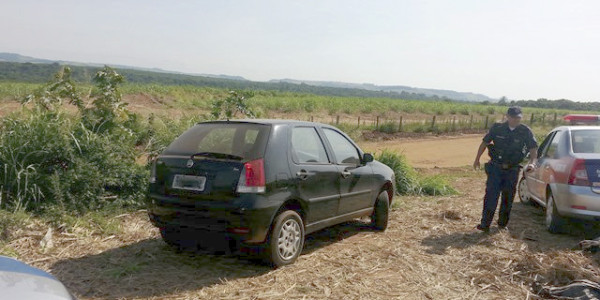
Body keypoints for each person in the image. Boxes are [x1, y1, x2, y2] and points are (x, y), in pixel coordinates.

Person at [473, 106, 538, 232]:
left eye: (518, 118)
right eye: (513, 117)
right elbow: (484, 143)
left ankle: (502, 224)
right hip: (496, 167)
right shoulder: (497, 128)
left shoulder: (525, 131)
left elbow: (533, 148)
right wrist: (477, 159)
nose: (515, 120)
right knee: (491, 196)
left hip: (512, 170)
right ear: (507, 117)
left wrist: (532, 163)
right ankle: (485, 224)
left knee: (508, 197)